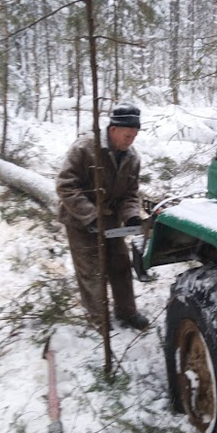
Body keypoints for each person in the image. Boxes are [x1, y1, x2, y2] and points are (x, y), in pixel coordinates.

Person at [56, 102, 149, 331]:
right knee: (92, 270)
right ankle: (99, 319)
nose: (131, 140)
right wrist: (90, 215)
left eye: (135, 135)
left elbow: (130, 193)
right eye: (127, 135)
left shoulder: (132, 158)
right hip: (80, 219)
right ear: (113, 129)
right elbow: (65, 185)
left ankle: (127, 311)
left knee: (120, 265)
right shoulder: (85, 148)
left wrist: (131, 217)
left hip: (111, 220)